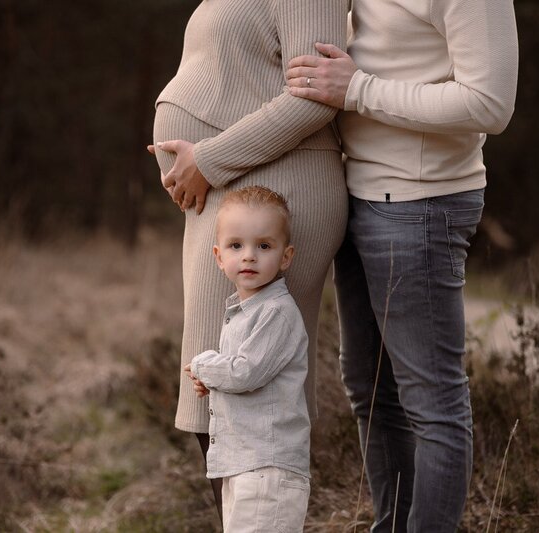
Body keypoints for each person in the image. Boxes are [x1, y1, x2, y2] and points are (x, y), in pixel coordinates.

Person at [285, 1, 519, 531]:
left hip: (421, 202)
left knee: (432, 402)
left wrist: (357, 90)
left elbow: (490, 104)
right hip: (356, 193)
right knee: (369, 388)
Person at [149, 0, 348, 520]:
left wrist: (208, 159)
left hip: (274, 188)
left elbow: (314, 97)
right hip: (236, 189)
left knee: (247, 398)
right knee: (215, 399)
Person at [184, 186, 311, 533]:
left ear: (285, 257)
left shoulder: (276, 312)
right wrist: (214, 381)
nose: (249, 256)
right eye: (236, 246)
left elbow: (244, 373)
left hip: (267, 469)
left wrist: (204, 365)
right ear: (219, 256)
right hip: (245, 465)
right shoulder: (243, 312)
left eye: (264, 246)